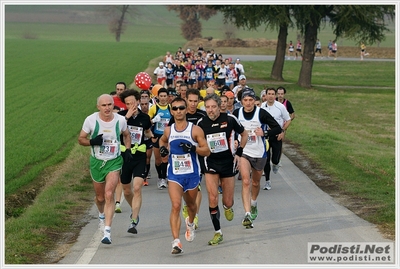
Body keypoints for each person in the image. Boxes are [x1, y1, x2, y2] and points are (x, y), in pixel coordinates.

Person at [159, 97, 210, 254]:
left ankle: (190, 223)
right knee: (175, 205)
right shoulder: (169, 130)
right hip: (174, 174)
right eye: (175, 108)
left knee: (191, 206)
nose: (179, 111)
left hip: (192, 173)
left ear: (186, 109)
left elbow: (207, 150)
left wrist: (193, 148)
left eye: (181, 108)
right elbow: (162, 141)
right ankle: (176, 241)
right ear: (171, 111)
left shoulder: (195, 130)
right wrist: (163, 150)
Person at [78, 94, 132, 244]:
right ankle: (101, 215)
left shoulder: (120, 120)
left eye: (110, 104)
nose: (107, 108)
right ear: (98, 107)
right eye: (104, 105)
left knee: (109, 194)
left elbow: (127, 135)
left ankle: (107, 231)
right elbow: (80, 139)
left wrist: (128, 150)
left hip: (114, 161)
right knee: (100, 197)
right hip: (97, 162)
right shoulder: (91, 120)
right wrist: (92, 141)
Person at [197, 93, 248, 245]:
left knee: (228, 200)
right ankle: (218, 232)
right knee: (212, 198)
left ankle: (227, 206)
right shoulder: (201, 123)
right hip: (210, 163)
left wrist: (239, 153)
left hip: (228, 163)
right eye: (207, 107)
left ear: (220, 107)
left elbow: (244, 134)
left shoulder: (230, 119)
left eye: (213, 107)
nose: (210, 110)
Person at [232, 88, 281, 228]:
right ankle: (247, 214)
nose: (248, 103)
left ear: (255, 101)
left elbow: (277, 128)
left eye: (250, 100)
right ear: (241, 101)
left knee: (255, 183)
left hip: (259, 153)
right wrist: (235, 139)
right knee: (246, 181)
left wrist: (265, 132)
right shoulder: (237, 113)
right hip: (244, 152)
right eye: (245, 100)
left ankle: (253, 203)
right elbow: (232, 130)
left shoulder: (262, 113)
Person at [118, 89, 154, 234]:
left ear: (138, 101)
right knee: (127, 191)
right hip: (124, 157)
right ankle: (134, 209)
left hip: (139, 156)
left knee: (137, 187)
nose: (131, 105)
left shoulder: (145, 118)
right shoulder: (120, 117)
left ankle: (134, 218)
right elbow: (116, 131)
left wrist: (152, 137)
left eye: (133, 102)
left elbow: (146, 132)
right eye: (127, 103)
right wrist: (126, 117)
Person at [261, 88, 292, 190]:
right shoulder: (262, 107)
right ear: (265, 95)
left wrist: (282, 131)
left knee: (274, 159)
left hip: (277, 135)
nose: (270, 96)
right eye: (268, 94)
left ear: (275, 96)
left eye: (272, 94)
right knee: (266, 159)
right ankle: (267, 181)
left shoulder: (280, 107)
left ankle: (276, 163)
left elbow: (288, 120)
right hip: (266, 136)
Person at [148, 88, 171, 189]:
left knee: (165, 157)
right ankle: (159, 176)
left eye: (164, 96)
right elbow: (147, 123)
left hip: (167, 137)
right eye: (161, 96)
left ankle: (163, 178)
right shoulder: (154, 108)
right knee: (158, 160)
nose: (162, 98)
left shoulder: (170, 108)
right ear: (158, 97)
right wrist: (153, 120)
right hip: (157, 136)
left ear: (167, 97)